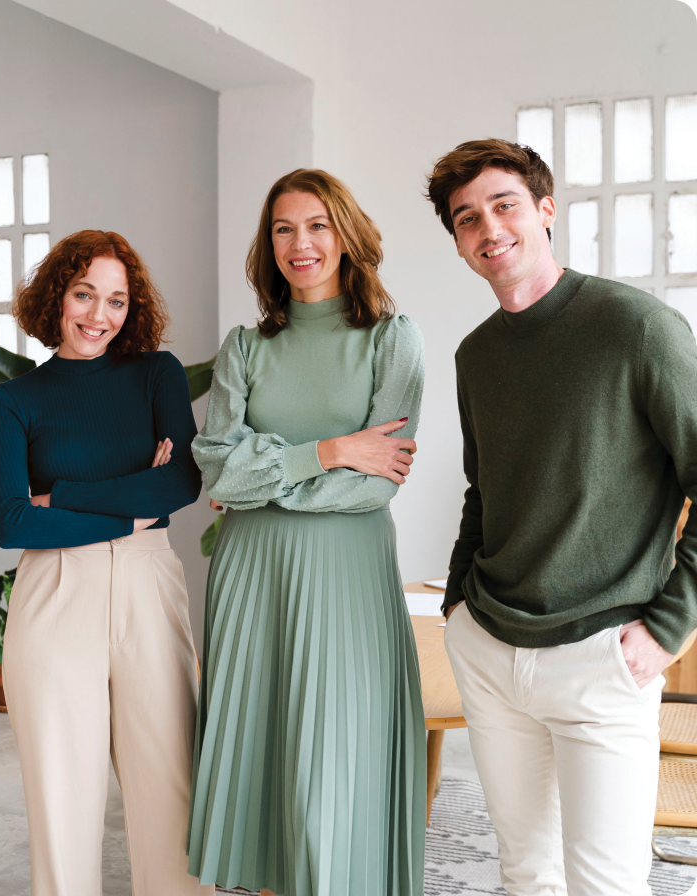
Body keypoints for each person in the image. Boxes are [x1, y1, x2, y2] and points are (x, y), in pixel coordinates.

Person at [426, 138, 697, 896]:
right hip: (491, 646)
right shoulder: (476, 355)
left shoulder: (637, 328)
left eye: (504, 204)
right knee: (526, 875)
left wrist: (668, 628)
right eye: (466, 218)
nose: (489, 229)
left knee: (605, 884)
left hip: (603, 655)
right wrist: (457, 606)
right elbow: (485, 491)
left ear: (546, 210)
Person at [187, 169, 426, 896]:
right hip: (253, 575)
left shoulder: (392, 340)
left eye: (318, 225)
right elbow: (218, 474)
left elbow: (374, 486)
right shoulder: (244, 348)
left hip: (348, 574)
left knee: (334, 771)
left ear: (346, 235)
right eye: (284, 229)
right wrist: (331, 449)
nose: (301, 243)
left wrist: (269, 479)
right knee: (266, 771)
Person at [0, 230, 210, 896]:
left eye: (116, 300)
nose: (98, 316)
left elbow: (179, 486)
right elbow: (12, 521)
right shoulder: (15, 401)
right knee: (63, 804)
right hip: (54, 597)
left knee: (173, 794)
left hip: (148, 585)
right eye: (84, 294)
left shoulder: (155, 376)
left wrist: (68, 497)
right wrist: (129, 502)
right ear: (57, 297)